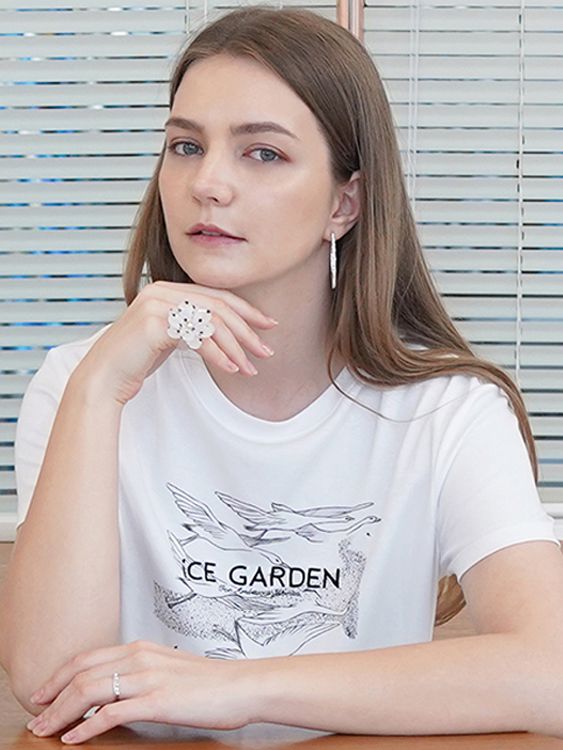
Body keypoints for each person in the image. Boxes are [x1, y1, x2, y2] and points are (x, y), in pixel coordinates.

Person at [1, 4, 563, 743]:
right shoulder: (82, 381)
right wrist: (99, 390)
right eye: (185, 146)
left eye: (262, 153)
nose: (208, 183)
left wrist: (237, 688)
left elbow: (549, 672)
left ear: (344, 203)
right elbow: (50, 683)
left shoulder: (449, 412)